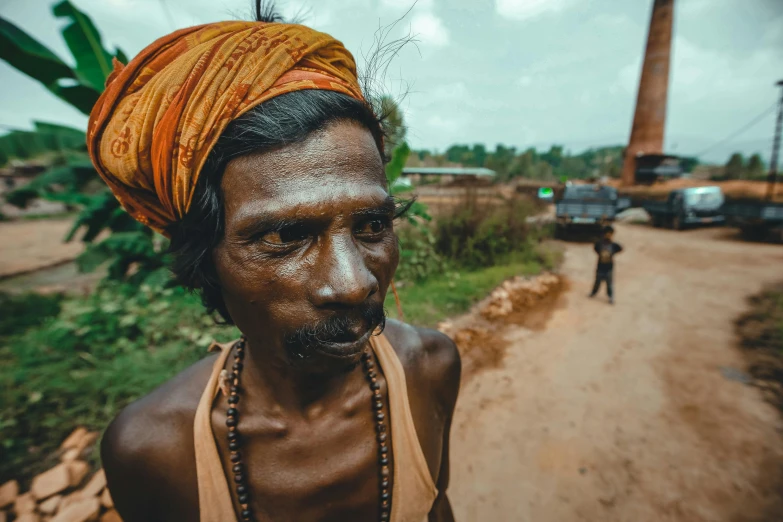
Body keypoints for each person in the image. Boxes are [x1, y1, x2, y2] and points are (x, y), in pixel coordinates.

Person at [89, 6, 461, 522]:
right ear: (206, 258)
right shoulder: (153, 450)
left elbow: (437, 505)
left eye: (373, 226)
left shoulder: (431, 368)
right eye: (287, 235)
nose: (355, 283)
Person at [589, 225, 623, 304]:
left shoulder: (613, 245)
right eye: (607, 234)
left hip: (609, 267)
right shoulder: (600, 243)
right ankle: (593, 292)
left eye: (610, 234)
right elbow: (596, 248)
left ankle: (610, 296)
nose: (608, 236)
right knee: (597, 281)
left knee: (609, 284)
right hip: (600, 266)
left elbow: (620, 248)